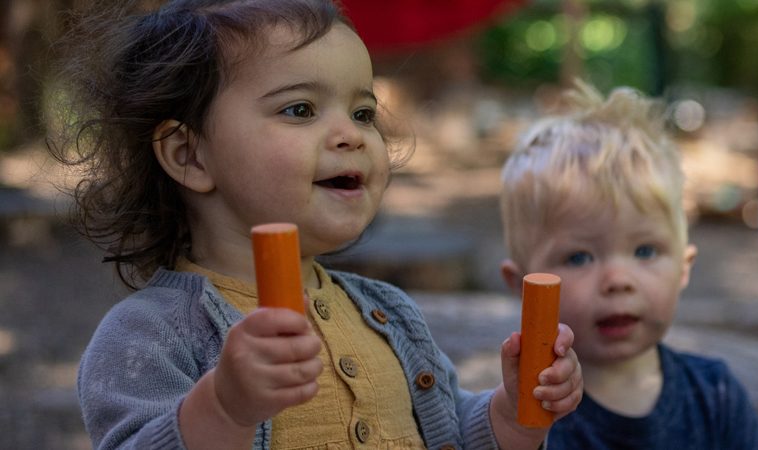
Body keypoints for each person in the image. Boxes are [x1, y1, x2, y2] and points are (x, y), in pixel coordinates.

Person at [47, 1, 583, 448]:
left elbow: (446, 431)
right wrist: (224, 408)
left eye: (363, 113)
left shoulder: (387, 312)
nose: (351, 135)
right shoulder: (147, 334)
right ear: (190, 154)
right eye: (300, 110)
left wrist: (510, 414)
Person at [498, 81, 758, 449]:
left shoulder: (716, 397)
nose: (617, 280)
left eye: (645, 251)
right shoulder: (526, 422)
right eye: (579, 257)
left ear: (683, 267)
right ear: (522, 286)